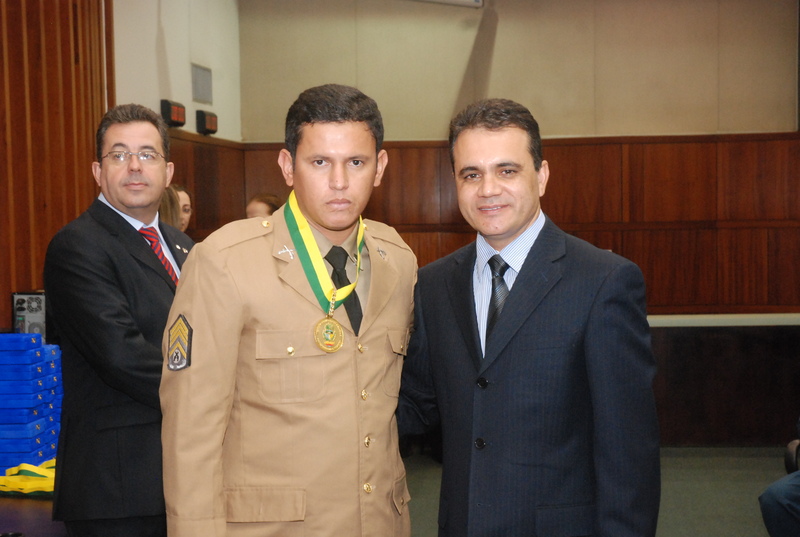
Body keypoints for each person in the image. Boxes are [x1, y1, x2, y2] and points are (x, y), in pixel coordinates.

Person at [160, 84, 417, 536]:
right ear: (287, 166)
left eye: (356, 162)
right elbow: (191, 433)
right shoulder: (225, 262)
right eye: (319, 162)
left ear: (380, 167)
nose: (339, 182)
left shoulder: (397, 260)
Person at [397, 98, 661, 536]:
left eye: (507, 170)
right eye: (471, 174)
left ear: (541, 175)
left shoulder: (604, 281)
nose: (488, 189)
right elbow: (418, 405)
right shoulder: (433, 285)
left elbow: (628, 449)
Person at [43, 103, 194, 537]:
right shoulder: (78, 246)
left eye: (147, 154)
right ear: (98, 171)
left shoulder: (184, 246)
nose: (134, 166)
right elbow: (122, 356)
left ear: (167, 171)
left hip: (182, 474)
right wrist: (217, 393)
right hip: (117, 487)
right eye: (119, 154)